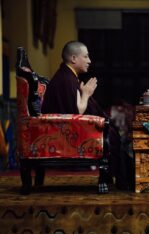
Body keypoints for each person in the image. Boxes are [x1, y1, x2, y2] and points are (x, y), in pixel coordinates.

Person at [41, 41, 121, 192]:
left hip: (64, 127)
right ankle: (111, 178)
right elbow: (77, 113)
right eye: (86, 56)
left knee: (113, 133)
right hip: (64, 131)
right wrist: (86, 94)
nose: (89, 60)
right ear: (73, 58)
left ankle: (113, 177)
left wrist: (84, 94)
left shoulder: (69, 76)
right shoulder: (66, 79)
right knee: (111, 134)